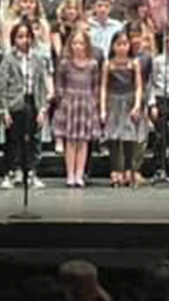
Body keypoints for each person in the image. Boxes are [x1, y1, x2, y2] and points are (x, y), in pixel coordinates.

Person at [0, 20, 52, 191]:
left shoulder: (38, 60)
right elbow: (2, 86)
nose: (24, 40)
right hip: (14, 104)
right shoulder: (8, 60)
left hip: (32, 102)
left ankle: (31, 172)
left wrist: (42, 109)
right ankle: (10, 172)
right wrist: (3, 110)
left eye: (27, 36)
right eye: (20, 37)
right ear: (13, 39)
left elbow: (41, 86)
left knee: (32, 139)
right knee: (13, 140)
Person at [54, 29, 101, 188]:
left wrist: (93, 103)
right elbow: (60, 84)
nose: (78, 46)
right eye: (75, 43)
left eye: (81, 43)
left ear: (86, 45)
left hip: (86, 103)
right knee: (71, 141)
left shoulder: (92, 64)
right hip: (70, 102)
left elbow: (95, 85)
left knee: (83, 141)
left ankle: (80, 174)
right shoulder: (65, 64)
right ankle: (70, 174)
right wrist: (62, 100)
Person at [100, 29, 145, 188]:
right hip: (113, 100)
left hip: (129, 100)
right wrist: (103, 109)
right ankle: (115, 170)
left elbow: (139, 86)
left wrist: (138, 104)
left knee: (129, 136)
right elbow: (104, 87)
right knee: (113, 137)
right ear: (113, 46)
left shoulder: (134, 63)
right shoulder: (108, 64)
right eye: (118, 44)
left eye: (125, 44)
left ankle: (128, 170)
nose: (121, 47)